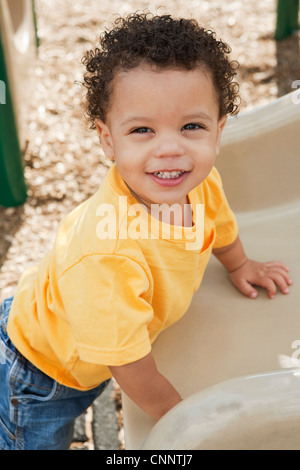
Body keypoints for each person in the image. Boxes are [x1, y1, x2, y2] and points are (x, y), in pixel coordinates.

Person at [0, 12, 292, 450]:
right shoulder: (110, 254)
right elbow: (130, 366)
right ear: (108, 139)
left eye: (192, 126)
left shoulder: (199, 182)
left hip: (77, 339)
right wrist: (185, 420)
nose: (170, 148)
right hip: (43, 374)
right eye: (142, 130)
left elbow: (219, 224)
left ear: (219, 131)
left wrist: (240, 263)